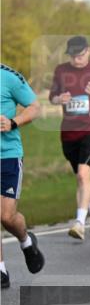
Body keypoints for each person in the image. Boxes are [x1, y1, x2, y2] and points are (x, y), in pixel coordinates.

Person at [49, 35, 90, 240]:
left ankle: (80, 222)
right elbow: (52, 96)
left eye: (79, 55)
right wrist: (59, 98)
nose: (76, 59)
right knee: (83, 179)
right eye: (72, 56)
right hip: (69, 132)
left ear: (87, 51)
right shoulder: (61, 70)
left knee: (83, 175)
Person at [0, 65, 45, 289]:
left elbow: (35, 107)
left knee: (7, 217)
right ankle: (1, 271)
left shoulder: (8, 77)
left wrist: (13, 122)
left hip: (7, 156)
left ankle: (27, 242)